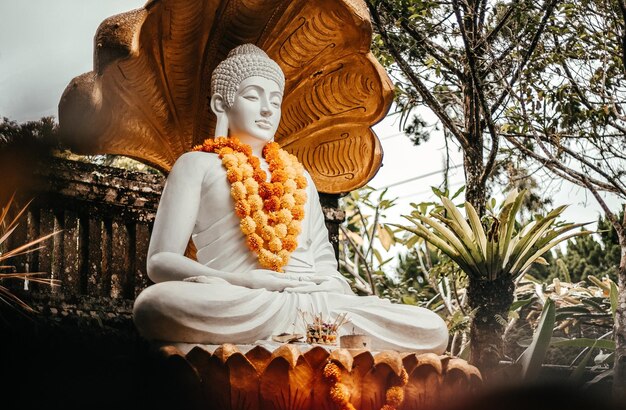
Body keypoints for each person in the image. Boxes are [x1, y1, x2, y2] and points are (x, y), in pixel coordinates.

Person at [133, 44, 448, 352]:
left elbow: (324, 259)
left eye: (274, 100)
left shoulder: (299, 175)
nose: (267, 109)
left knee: (432, 328)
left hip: (315, 303)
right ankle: (310, 337)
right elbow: (160, 262)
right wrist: (243, 282)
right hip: (245, 300)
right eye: (253, 96)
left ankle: (309, 332)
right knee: (155, 305)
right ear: (221, 104)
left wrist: (327, 284)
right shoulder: (197, 165)